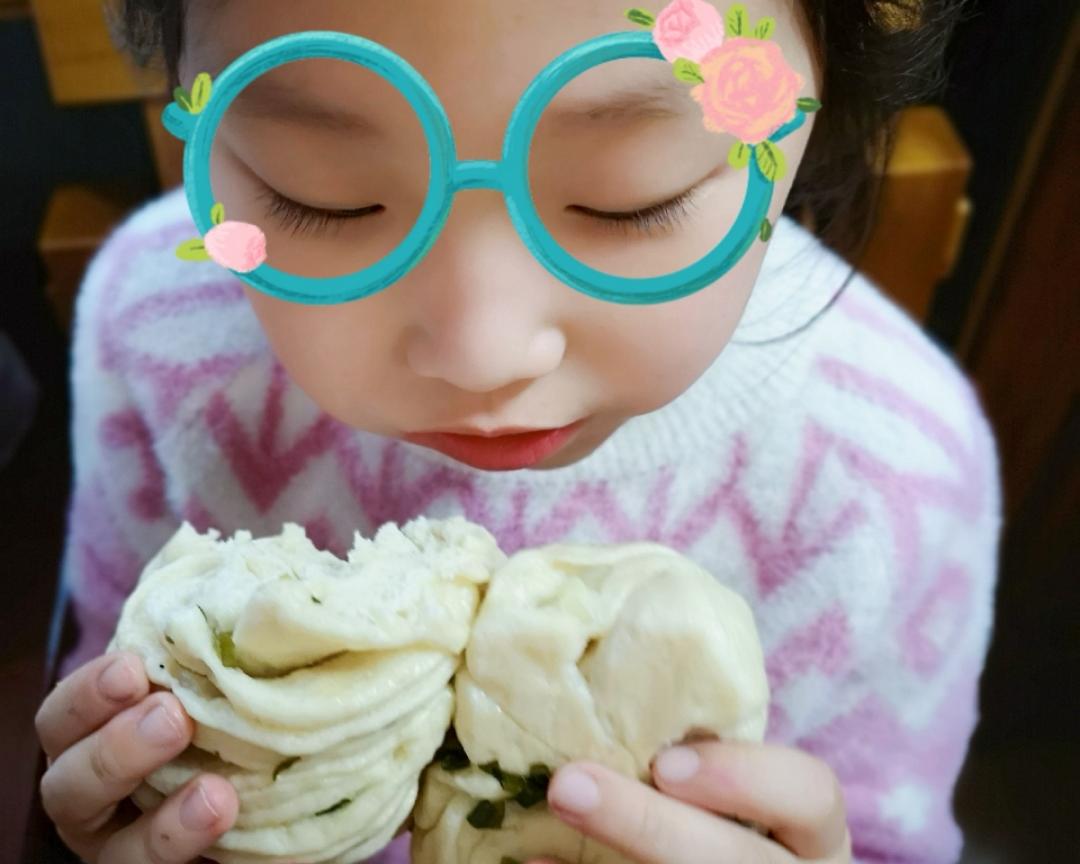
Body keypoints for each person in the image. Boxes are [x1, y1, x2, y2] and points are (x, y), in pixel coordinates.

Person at [34, 1, 1000, 862]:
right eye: (320, 194)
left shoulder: (892, 474)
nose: (483, 352)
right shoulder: (155, 333)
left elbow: (882, 835)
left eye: (633, 196)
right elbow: (109, 684)